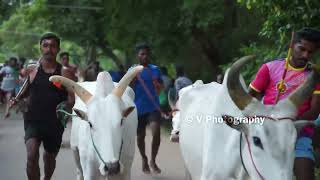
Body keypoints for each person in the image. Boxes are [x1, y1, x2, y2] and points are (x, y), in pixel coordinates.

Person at [248, 27, 320, 180]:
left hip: (299, 133)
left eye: (310, 52)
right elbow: (250, 99)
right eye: (302, 49)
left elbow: (315, 110)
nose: (305, 55)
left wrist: (287, 123)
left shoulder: (315, 76)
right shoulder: (269, 68)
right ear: (292, 45)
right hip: (267, 133)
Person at [10, 32, 75, 180]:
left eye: (52, 46)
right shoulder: (32, 69)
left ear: (57, 49)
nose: (49, 49)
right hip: (33, 120)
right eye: (45, 45)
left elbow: (73, 98)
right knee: (32, 155)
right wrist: (17, 100)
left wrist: (67, 105)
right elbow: (24, 91)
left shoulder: (65, 72)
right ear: (41, 48)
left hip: (55, 123)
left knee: (49, 159)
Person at [130, 43, 163, 174]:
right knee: (140, 137)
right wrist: (133, 76)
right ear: (137, 55)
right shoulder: (132, 70)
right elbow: (129, 88)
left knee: (156, 133)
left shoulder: (155, 69)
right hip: (138, 108)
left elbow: (161, 88)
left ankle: (153, 161)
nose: (145, 56)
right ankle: (144, 158)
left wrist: (157, 84)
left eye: (147, 54)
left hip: (153, 106)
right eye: (142, 54)